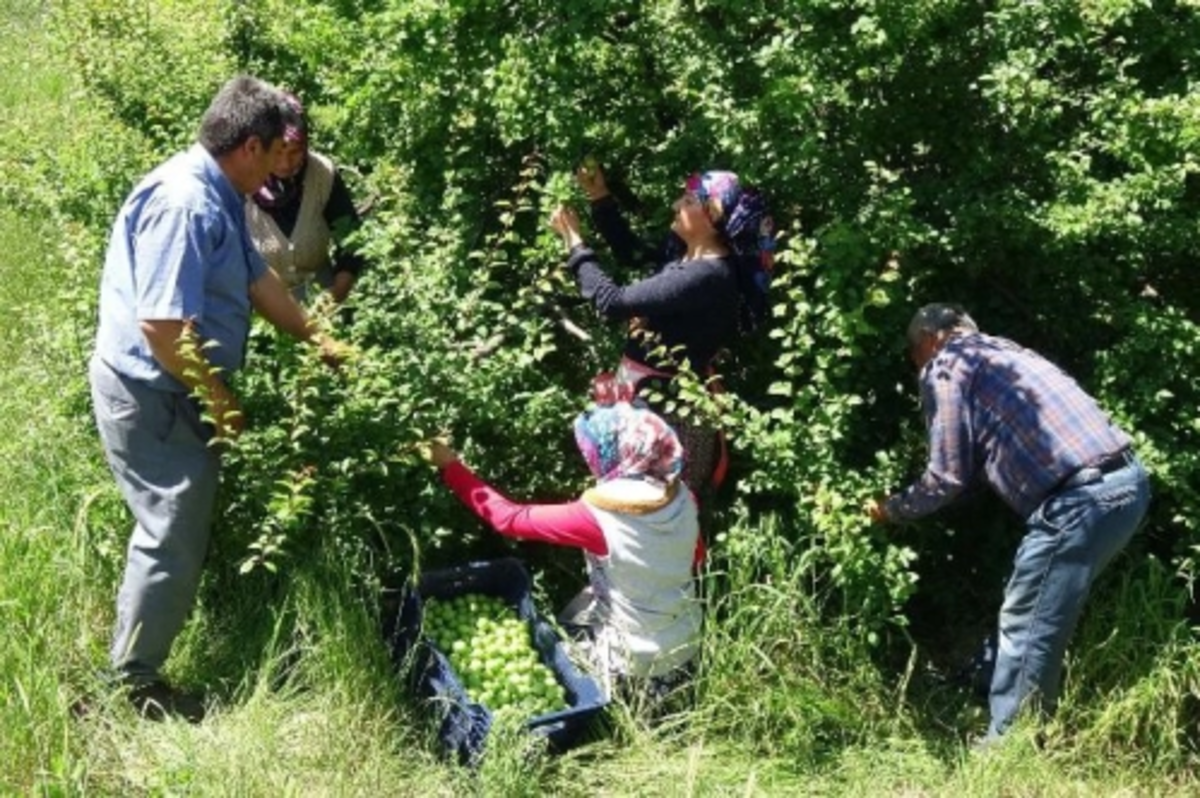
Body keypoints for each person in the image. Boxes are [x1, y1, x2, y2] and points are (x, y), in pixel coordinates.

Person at [89, 75, 348, 722]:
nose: (278, 168)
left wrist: (322, 340)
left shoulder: (218, 189)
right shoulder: (186, 204)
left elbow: (257, 279)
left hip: (175, 390)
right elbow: (162, 327)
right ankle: (133, 685)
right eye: (273, 153)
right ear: (251, 145)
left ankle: (137, 650)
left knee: (175, 529)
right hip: (152, 396)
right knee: (171, 530)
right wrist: (221, 398)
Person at [867, 303, 1151, 745]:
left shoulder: (946, 365)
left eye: (913, 353)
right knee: (1034, 601)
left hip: (1079, 498)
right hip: (1128, 486)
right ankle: (999, 693)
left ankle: (1010, 748)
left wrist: (891, 510)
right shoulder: (1007, 352)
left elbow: (946, 476)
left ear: (928, 339)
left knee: (1028, 618)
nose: (915, 364)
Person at [420, 377, 703, 708]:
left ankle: (619, 707)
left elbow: (508, 519)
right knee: (581, 605)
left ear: (613, 453)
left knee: (552, 649)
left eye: (593, 451)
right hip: (686, 646)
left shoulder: (601, 515)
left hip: (635, 666)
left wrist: (450, 466)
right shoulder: (681, 495)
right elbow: (695, 557)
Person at [547, 163, 774, 500]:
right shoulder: (688, 260)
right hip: (653, 404)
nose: (675, 206)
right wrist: (599, 197)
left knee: (644, 512)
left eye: (687, 201)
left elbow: (613, 302)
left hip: (664, 419)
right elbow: (633, 253)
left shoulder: (707, 276)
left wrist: (574, 243)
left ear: (711, 215)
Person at [245, 92, 367, 304]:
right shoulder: (240, 180)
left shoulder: (322, 174)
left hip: (323, 307)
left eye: (295, 152)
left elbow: (352, 242)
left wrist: (335, 296)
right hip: (259, 312)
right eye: (277, 152)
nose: (285, 163)